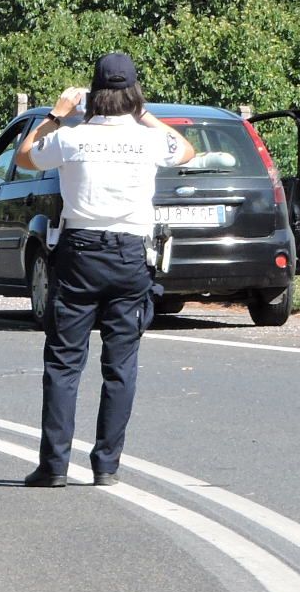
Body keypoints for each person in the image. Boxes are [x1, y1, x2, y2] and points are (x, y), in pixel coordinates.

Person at [14, 52, 194, 487]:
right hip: (130, 255)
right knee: (120, 365)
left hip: (78, 253)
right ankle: (106, 466)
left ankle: (54, 466)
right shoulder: (149, 140)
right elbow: (186, 150)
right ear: (133, 93)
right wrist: (144, 113)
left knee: (63, 363)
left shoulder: (72, 137)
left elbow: (23, 158)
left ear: (92, 94)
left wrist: (56, 115)